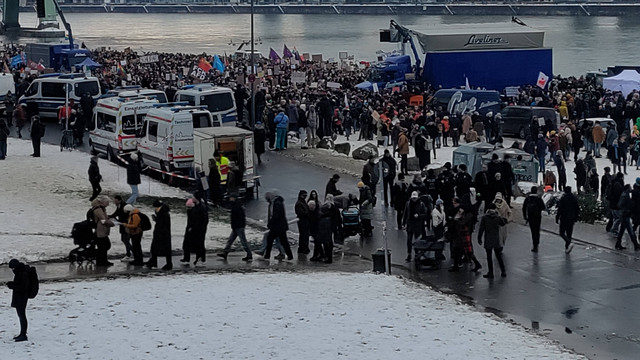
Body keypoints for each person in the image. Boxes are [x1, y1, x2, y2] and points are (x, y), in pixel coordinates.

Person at [218, 194, 253, 261]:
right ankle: (225, 252)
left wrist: (235, 225)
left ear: (234, 198)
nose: (230, 199)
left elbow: (238, 217)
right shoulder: (237, 205)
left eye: (231, 198)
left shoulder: (236, 206)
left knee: (243, 241)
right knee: (230, 240)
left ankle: (249, 254)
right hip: (236, 226)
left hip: (238, 226)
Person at [477, 203, 507, 279]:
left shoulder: (485, 217)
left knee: (489, 257)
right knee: (498, 256)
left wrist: (479, 238)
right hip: (496, 239)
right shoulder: (497, 217)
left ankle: (491, 273)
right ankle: (503, 271)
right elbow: (503, 223)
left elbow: (481, 229)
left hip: (488, 239)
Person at [264, 192, 294, 260]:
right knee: (283, 241)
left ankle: (267, 255)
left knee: (270, 240)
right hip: (281, 226)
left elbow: (275, 215)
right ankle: (290, 255)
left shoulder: (276, 204)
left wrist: (270, 224)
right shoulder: (279, 202)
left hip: (277, 226)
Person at [7, 259, 31, 342]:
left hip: (21, 298)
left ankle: (23, 334)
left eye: (12, 268)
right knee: (21, 315)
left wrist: (11, 285)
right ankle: (22, 333)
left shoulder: (21, 273)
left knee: (22, 316)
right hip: (21, 297)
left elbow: (22, 287)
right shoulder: (21, 272)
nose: (12, 270)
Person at [147, 199, 173, 270]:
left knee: (162, 248)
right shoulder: (162, 213)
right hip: (160, 233)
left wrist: (156, 219)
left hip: (162, 234)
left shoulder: (164, 214)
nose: (155, 209)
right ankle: (154, 262)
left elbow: (162, 224)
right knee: (155, 248)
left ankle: (167, 263)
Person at [182, 197, 209, 265]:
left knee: (199, 245)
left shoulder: (200, 209)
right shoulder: (195, 209)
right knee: (188, 244)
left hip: (198, 230)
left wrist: (193, 227)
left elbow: (200, 220)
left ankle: (200, 258)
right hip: (193, 229)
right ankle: (188, 258)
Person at [403, 191, 427, 262]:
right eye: (413, 198)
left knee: (417, 240)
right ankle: (409, 254)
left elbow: (425, 214)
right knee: (409, 240)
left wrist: (419, 216)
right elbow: (405, 213)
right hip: (410, 224)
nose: (414, 200)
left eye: (415, 198)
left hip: (418, 224)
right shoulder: (408, 204)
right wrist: (403, 223)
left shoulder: (421, 204)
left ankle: (417, 253)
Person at [615, 184, 639, 250]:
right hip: (625, 214)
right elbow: (620, 204)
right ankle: (636, 244)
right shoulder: (625, 195)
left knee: (622, 230)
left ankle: (618, 243)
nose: (631, 189)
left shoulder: (626, 194)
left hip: (625, 214)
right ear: (628, 188)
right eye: (630, 187)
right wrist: (626, 209)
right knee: (630, 230)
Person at [91, 196, 114, 266]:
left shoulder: (100, 209)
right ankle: (101, 261)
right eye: (107, 202)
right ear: (102, 202)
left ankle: (103, 261)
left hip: (101, 230)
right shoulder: (99, 210)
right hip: (100, 231)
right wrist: (112, 223)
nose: (108, 204)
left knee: (104, 246)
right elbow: (103, 220)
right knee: (103, 246)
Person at [522, 186, 547, 253]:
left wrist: (525, 216)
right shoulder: (538, 198)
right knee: (537, 230)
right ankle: (537, 243)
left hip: (530, 217)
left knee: (533, 231)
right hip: (537, 216)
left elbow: (524, 208)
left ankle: (534, 245)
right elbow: (543, 207)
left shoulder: (528, 198)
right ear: (536, 191)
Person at [556, 186, 580, 254]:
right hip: (571, 218)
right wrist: (576, 217)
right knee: (569, 233)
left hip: (564, 217)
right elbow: (577, 209)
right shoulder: (574, 198)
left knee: (562, 232)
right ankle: (567, 248)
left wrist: (557, 217)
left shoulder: (563, 198)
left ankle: (569, 243)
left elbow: (560, 209)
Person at [110, 195, 132, 262]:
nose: (114, 202)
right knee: (124, 240)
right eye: (114, 201)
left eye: (116, 201)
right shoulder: (119, 206)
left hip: (125, 226)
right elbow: (115, 214)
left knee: (126, 240)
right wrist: (108, 216)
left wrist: (113, 218)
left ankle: (129, 254)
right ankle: (132, 252)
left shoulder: (124, 206)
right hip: (122, 225)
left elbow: (120, 214)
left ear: (119, 200)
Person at [295, 190, 311, 255]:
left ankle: (304, 248)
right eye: (304, 195)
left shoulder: (302, 202)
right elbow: (301, 213)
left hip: (304, 221)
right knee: (304, 235)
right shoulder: (299, 203)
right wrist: (308, 213)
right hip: (302, 221)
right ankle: (303, 248)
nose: (305, 196)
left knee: (304, 235)